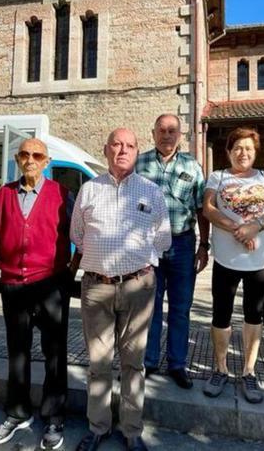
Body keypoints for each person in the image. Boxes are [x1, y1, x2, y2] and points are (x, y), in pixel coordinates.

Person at [70, 128, 171, 451]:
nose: (123, 150)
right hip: (97, 287)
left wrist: (137, 261)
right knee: (98, 364)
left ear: (137, 151)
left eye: (129, 145)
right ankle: (98, 427)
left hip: (138, 287)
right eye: (117, 144)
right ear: (106, 150)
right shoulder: (89, 190)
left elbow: (163, 237)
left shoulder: (151, 191)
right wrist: (103, 258)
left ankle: (131, 430)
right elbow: (78, 234)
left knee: (133, 363)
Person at [0, 138, 72, 449]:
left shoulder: (62, 194)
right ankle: (17, 414)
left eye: (37, 155)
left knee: (55, 354)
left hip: (50, 284)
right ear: (17, 158)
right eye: (25, 154)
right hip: (13, 284)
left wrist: (70, 271)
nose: (30, 159)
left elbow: (79, 234)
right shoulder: (3, 195)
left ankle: (54, 417)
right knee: (18, 352)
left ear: (46, 161)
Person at [201, 127, 264, 404]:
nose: (243, 153)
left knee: (254, 314)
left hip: (260, 260)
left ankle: (249, 372)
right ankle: (220, 368)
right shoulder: (218, 176)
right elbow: (209, 209)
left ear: (255, 151)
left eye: (248, 148)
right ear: (228, 151)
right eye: (237, 148)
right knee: (221, 314)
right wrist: (240, 228)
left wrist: (256, 227)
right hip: (227, 258)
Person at [136, 114, 210, 390]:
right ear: (153, 133)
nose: (166, 135)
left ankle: (177, 364)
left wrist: (204, 245)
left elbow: (202, 207)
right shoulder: (139, 163)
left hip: (182, 243)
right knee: (149, 307)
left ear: (180, 135)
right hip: (148, 246)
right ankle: (150, 361)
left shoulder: (192, 165)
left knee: (180, 308)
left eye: (172, 130)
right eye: (161, 130)